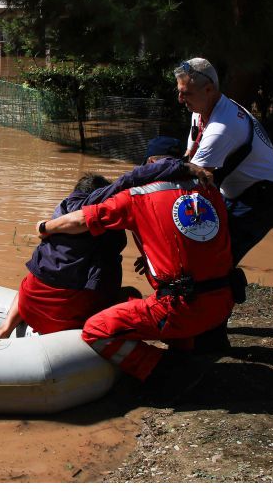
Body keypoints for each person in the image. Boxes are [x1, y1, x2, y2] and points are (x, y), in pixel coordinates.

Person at [35, 160, 239, 382]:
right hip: (224, 304)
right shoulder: (209, 191)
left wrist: (45, 227)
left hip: (181, 310)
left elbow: (83, 219)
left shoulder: (137, 196)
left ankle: (164, 372)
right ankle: (183, 353)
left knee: (96, 329)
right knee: (175, 293)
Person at [0, 160, 215, 339]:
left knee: (30, 277)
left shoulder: (61, 209)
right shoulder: (95, 210)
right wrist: (183, 167)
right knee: (131, 294)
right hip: (70, 313)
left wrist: (44, 227)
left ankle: (4, 329)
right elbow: (131, 179)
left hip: (31, 302)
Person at [174, 58, 273, 265]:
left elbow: (191, 181)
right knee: (202, 248)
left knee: (217, 260)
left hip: (261, 196)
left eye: (186, 93)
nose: (180, 99)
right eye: (179, 92)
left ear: (209, 90)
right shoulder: (201, 109)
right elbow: (190, 157)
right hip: (233, 189)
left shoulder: (221, 128)